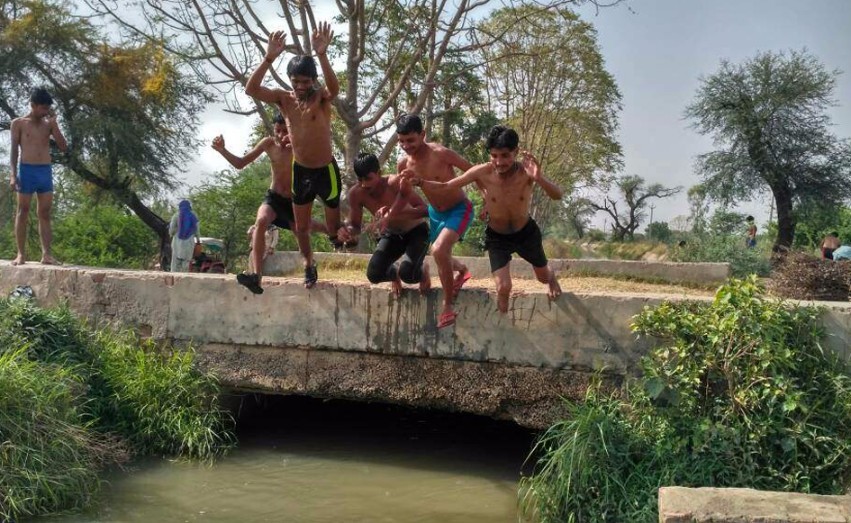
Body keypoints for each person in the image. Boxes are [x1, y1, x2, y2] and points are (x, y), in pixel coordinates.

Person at [403, 125, 563, 314]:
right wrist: (421, 182)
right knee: (503, 289)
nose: (499, 162)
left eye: (505, 156)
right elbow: (446, 185)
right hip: (497, 237)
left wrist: (539, 178)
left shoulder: (525, 173)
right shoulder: (482, 171)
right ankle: (503, 328)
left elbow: (557, 195)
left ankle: (552, 277)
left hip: (526, 233)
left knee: (543, 277)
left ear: (516, 152)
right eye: (494, 156)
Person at [245, 22, 341, 289]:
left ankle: (340, 235)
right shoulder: (283, 99)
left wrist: (322, 55)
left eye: (305, 81)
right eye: (296, 81)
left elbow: (334, 89)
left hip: (326, 170)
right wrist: (268, 58)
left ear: (313, 81)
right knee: (300, 228)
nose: (300, 86)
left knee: (333, 231)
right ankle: (309, 263)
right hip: (302, 170)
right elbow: (251, 90)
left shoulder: (320, 97)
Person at [212, 114, 326, 294]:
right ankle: (256, 275)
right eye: (277, 131)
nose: (281, 136)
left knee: (302, 231)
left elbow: (318, 161)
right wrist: (222, 150)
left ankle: (310, 265)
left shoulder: (300, 147)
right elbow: (241, 163)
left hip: (294, 200)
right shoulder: (268, 144)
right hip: (274, 197)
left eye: (285, 131)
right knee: (261, 221)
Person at [392, 114, 476, 328]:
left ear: (423, 134)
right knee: (439, 253)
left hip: (459, 209)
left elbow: (474, 171)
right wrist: (390, 212)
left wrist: (488, 201)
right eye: (401, 141)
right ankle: (463, 270)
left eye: (410, 140)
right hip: (435, 213)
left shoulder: (440, 153)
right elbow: (403, 195)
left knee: (438, 251)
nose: (405, 145)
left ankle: (448, 306)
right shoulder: (403, 164)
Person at [338, 153, 431, 297]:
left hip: (416, 231)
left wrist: (393, 213)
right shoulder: (356, 193)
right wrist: (347, 232)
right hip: (392, 235)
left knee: (408, 274)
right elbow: (355, 226)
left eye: (368, 179)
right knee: (374, 274)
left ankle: (423, 271)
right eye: (360, 179)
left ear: (379, 173)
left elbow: (425, 210)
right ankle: (395, 275)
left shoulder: (394, 183)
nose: (364, 184)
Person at [9, 87, 67, 266]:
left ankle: (47, 255)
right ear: (33, 105)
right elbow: (13, 152)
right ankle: (20, 254)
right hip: (26, 170)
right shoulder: (18, 123)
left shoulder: (48, 124)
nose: (45, 112)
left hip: (45, 171)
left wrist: (55, 125)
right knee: (22, 211)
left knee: (45, 213)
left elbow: (63, 147)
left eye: (47, 109)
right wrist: (12, 175)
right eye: (42, 108)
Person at [169, 200, 201, 272]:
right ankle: (183, 279)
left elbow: (171, 230)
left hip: (177, 242)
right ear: (189, 206)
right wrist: (198, 240)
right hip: (189, 242)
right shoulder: (193, 216)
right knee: (186, 262)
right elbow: (197, 230)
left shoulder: (176, 215)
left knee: (175, 262)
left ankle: (174, 279)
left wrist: (172, 234)